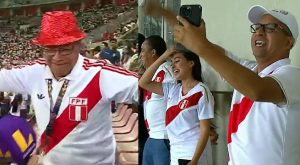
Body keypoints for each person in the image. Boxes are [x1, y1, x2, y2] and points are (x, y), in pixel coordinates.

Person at [0, 11, 138, 165]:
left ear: (79, 46)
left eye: (65, 49)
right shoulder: (34, 72)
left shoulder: (100, 73)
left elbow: (150, 90)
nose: (57, 57)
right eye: (50, 49)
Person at [170, 5, 300, 165]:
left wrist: (200, 46)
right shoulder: (248, 70)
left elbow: (257, 90)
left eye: (270, 28)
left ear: (288, 42)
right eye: (257, 27)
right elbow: (223, 59)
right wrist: (202, 40)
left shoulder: (293, 76)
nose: (259, 32)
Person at [139, 47, 214, 165]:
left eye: (177, 61)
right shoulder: (172, 89)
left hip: (192, 154)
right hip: (175, 154)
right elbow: (143, 82)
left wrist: (194, 161)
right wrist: (163, 57)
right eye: (172, 62)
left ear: (191, 63)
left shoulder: (201, 90)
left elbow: (205, 129)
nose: (173, 65)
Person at [140, 35, 173, 165]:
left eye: (143, 50)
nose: (141, 54)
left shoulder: (167, 71)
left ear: (153, 52)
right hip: (152, 136)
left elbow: (178, 97)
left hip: (164, 136)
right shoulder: (152, 72)